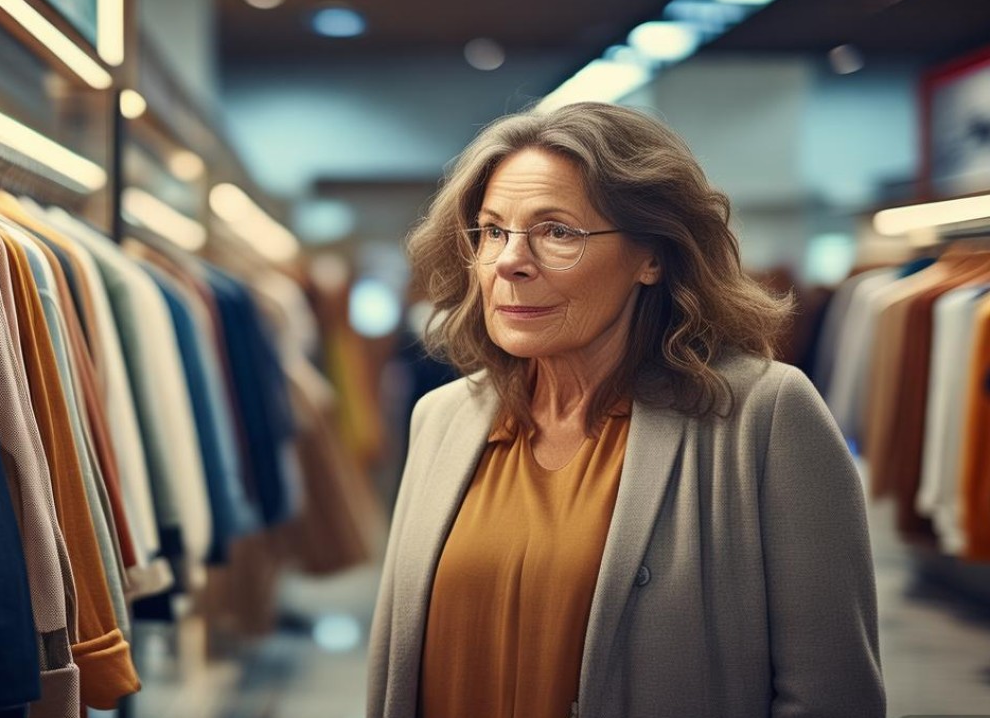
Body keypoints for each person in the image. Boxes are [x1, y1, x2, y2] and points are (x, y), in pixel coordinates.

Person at [366, 102, 884, 718]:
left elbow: (831, 693)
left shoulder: (764, 416)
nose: (510, 261)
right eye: (492, 231)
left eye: (557, 232)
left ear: (653, 257)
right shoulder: (444, 418)